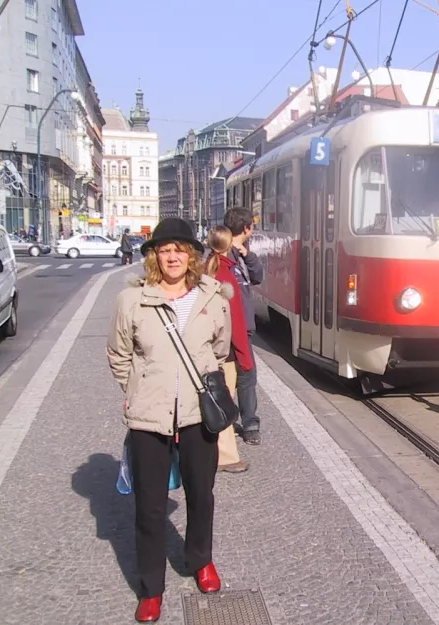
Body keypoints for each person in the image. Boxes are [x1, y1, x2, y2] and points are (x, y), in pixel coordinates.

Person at [106, 217, 232, 623]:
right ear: (154, 256)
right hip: (149, 415)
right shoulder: (132, 301)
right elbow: (119, 354)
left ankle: (201, 560)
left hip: (198, 414)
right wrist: (138, 390)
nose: (173, 255)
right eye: (164, 249)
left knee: (201, 493)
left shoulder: (213, 297)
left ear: (191, 255)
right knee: (149, 505)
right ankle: (151, 588)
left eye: (180, 248)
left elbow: (221, 349)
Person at [205, 226, 252, 474]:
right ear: (228, 245)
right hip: (226, 352)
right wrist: (245, 358)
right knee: (223, 401)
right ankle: (225, 456)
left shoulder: (205, 269)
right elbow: (236, 321)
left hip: (204, 349)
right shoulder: (227, 274)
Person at [224, 208, 264, 445]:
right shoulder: (221, 252)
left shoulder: (242, 254)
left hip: (243, 326)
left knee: (246, 374)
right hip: (228, 326)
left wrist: (247, 255)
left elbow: (258, 276)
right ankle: (245, 423)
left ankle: (248, 422)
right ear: (247, 228)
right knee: (243, 375)